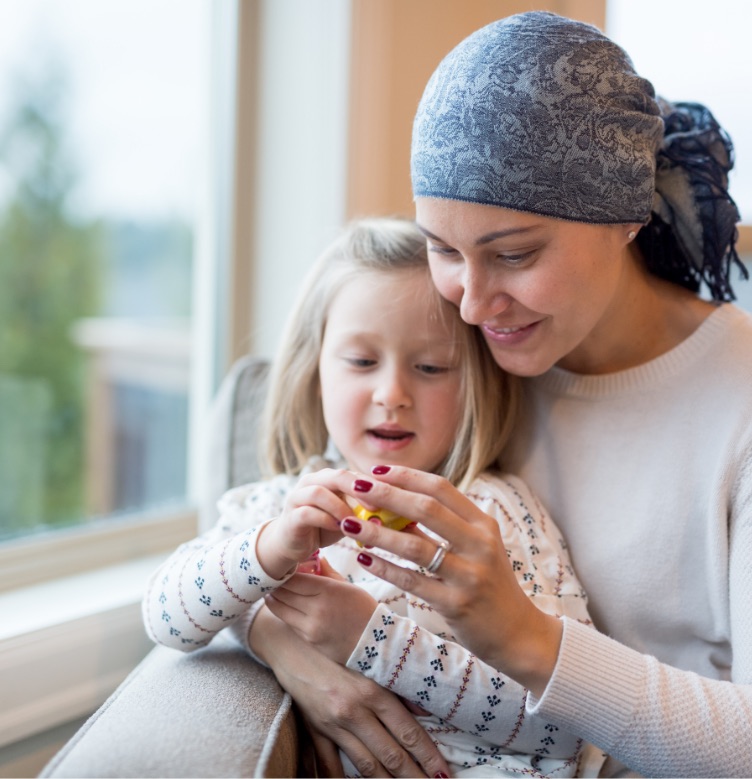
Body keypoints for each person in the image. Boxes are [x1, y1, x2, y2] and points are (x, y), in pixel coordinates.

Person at [276, 10, 752, 779]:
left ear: (625, 218)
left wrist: (526, 639)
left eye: (513, 254)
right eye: (445, 249)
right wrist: (280, 641)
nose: (472, 303)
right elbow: (257, 520)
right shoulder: (458, 361)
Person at [142, 217, 597, 778]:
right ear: (315, 374)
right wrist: (267, 553)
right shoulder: (279, 506)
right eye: (361, 362)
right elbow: (165, 617)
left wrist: (373, 639)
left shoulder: (491, 514)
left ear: (477, 382)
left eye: (430, 367)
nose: (391, 395)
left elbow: (566, 730)